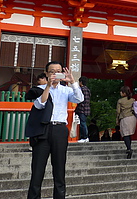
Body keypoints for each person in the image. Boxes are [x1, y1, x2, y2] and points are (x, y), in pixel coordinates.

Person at [26, 61, 84, 199]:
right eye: (52, 71)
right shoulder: (39, 88)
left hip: (59, 129)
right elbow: (40, 105)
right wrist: (47, 86)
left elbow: (79, 99)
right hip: (42, 130)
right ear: (46, 73)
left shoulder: (66, 90)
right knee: (37, 169)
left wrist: (72, 81)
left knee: (59, 169)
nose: (55, 74)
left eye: (58, 71)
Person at [117, 86, 137, 159]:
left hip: (125, 117)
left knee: (125, 134)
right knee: (129, 134)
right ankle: (129, 147)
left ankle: (129, 148)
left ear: (124, 93)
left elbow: (118, 111)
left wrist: (117, 120)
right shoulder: (133, 100)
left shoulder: (120, 101)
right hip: (132, 117)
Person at [76, 77, 91, 143]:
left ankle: (84, 137)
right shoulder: (88, 89)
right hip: (87, 109)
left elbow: (80, 99)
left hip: (82, 109)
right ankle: (84, 137)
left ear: (81, 82)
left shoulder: (81, 89)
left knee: (82, 123)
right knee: (83, 123)